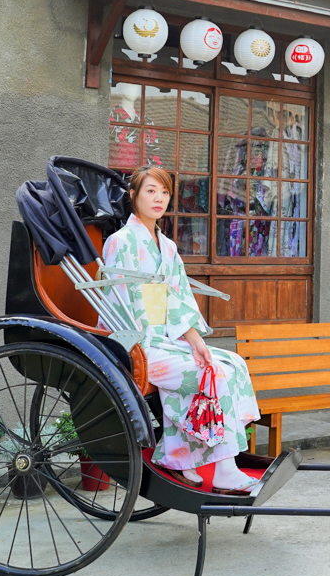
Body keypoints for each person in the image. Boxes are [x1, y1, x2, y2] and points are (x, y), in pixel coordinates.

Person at [99, 165, 260, 493]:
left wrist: (195, 340)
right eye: (150, 191)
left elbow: (178, 298)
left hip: (167, 339)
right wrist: (147, 341)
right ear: (133, 196)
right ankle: (224, 469)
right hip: (136, 343)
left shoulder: (167, 247)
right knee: (202, 373)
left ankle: (184, 456)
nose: (158, 199)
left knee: (230, 364)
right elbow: (118, 303)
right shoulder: (120, 242)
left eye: (164, 192)